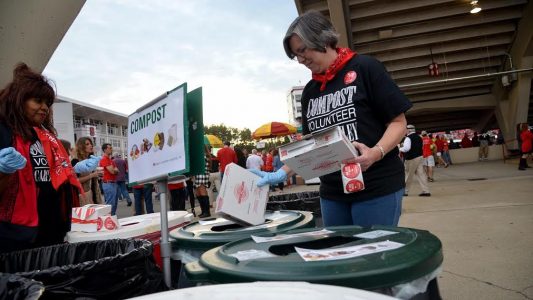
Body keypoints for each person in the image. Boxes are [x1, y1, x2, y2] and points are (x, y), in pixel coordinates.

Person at [252, 11, 411, 227]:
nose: (300, 60)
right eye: (295, 55)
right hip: (332, 193)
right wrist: (280, 173)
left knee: (371, 257)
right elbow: (310, 145)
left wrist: (375, 153)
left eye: (302, 51)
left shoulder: (365, 68)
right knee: (339, 255)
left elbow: (398, 123)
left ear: (322, 40)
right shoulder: (310, 91)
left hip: (376, 186)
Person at [0, 62, 83, 253]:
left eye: (48, 103)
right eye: (37, 101)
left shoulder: (40, 134)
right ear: (18, 99)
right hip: (14, 235)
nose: (44, 108)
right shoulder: (4, 130)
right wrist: (2, 170)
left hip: (47, 228)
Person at [399, 125, 430, 197]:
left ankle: (405, 191)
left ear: (409, 130)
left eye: (405, 130)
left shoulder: (408, 138)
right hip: (420, 157)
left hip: (411, 158)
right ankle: (426, 191)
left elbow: (406, 148)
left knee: (408, 175)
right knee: (421, 174)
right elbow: (421, 147)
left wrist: (399, 149)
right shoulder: (419, 137)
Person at [72, 137, 103, 205]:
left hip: (94, 194)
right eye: (87, 144)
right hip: (83, 197)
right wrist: (92, 175)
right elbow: (75, 180)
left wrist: (97, 174)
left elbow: (93, 176)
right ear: (81, 146)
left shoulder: (90, 159)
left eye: (91, 144)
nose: (91, 145)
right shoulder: (76, 161)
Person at [99, 143, 119, 215]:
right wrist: (114, 170)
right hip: (108, 183)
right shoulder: (104, 159)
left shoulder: (111, 160)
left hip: (113, 183)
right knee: (110, 204)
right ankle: (109, 219)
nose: (111, 149)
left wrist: (114, 170)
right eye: (109, 148)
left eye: (111, 148)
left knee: (114, 204)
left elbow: (117, 171)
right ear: (105, 150)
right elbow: (113, 171)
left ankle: (111, 219)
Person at [194, 145, 212, 218]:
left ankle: (206, 212)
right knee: (198, 193)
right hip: (199, 174)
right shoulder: (205, 155)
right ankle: (204, 211)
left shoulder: (203, 156)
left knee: (202, 192)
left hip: (202, 174)